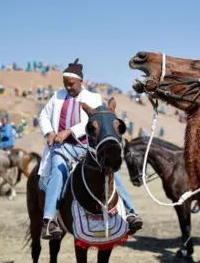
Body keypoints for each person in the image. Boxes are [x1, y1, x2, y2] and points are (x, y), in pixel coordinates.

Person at [38, 58, 143, 240]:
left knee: (112, 174)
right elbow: (43, 116)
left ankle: (130, 212)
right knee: (57, 172)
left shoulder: (93, 98)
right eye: (65, 84)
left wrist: (69, 131)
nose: (68, 87)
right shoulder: (57, 96)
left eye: (71, 84)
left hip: (86, 148)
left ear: (81, 81)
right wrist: (48, 132)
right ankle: (49, 221)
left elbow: (95, 122)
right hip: (62, 148)